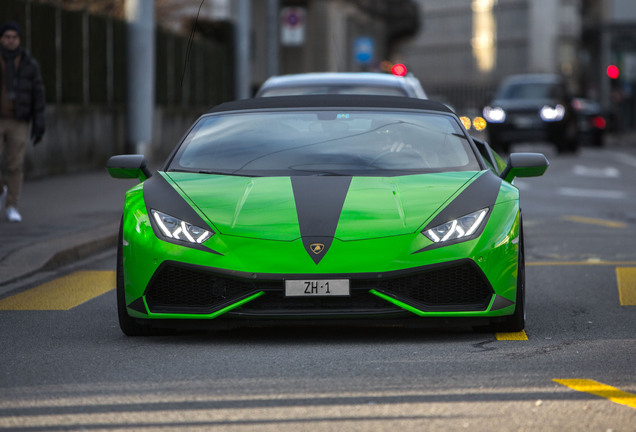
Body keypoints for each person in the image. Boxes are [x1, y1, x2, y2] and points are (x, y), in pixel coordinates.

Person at [0, 21, 45, 223]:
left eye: (14, 37)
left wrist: (39, 121)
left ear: (19, 39)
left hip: (18, 120)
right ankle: (2, 189)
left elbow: (37, 92)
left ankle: (11, 205)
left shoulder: (28, 63)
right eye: (7, 36)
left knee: (15, 165)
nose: (11, 40)